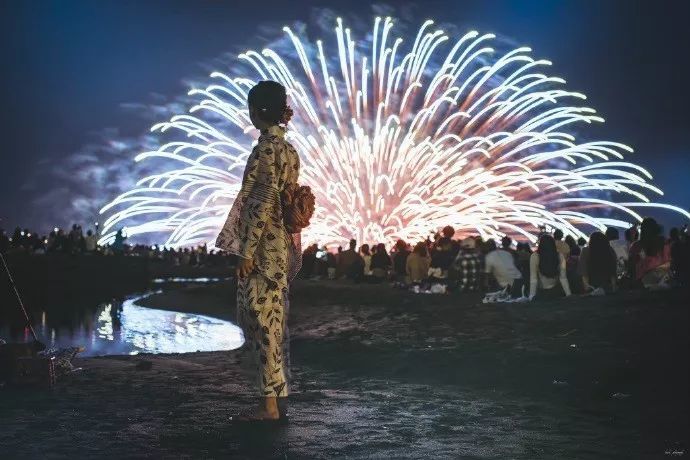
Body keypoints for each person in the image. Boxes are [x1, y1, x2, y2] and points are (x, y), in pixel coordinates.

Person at [215, 80, 300, 421]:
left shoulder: (266, 150)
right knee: (274, 322)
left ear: (256, 112)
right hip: (279, 248)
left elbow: (260, 203)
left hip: (263, 251)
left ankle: (269, 406)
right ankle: (276, 397)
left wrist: (245, 251)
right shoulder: (290, 151)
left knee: (260, 322)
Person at [629, 217, 671, 287]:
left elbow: (631, 266)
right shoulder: (664, 244)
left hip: (643, 285)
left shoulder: (636, 246)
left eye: (642, 228)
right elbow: (668, 263)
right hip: (661, 285)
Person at [529, 234, 572, 300]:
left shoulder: (534, 257)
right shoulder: (559, 256)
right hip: (556, 292)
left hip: (541, 293)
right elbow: (563, 278)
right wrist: (569, 294)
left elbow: (533, 279)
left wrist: (531, 296)